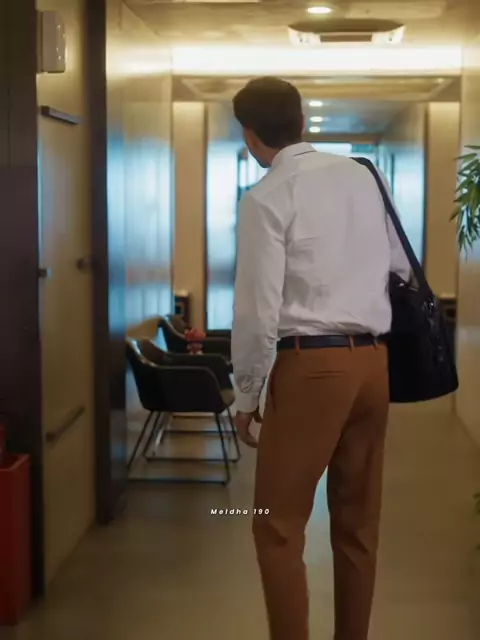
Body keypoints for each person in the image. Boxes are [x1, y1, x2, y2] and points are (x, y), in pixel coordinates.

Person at [231, 77, 410, 640]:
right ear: (302, 122)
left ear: (250, 136)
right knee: (358, 525)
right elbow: (402, 267)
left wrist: (246, 395)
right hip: (373, 365)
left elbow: (258, 310)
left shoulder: (266, 197)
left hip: (311, 368)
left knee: (276, 527)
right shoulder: (364, 176)